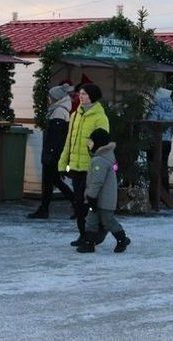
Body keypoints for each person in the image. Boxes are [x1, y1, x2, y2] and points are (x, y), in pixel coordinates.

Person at [58, 83, 109, 247]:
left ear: (93, 96)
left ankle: (95, 232)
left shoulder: (100, 117)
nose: (81, 96)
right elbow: (69, 141)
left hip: (92, 167)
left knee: (90, 203)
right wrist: (63, 163)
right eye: (80, 93)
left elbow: (103, 144)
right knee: (78, 202)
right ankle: (82, 234)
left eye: (85, 94)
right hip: (76, 166)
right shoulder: (75, 115)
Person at [76, 128, 131, 253]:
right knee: (91, 220)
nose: (89, 145)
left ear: (97, 143)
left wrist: (91, 196)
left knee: (108, 220)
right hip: (98, 198)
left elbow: (97, 182)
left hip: (102, 199)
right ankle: (89, 243)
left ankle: (122, 239)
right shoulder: (106, 157)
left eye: (91, 142)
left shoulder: (99, 161)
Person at [27, 84, 76, 219]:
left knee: (52, 180)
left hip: (53, 153)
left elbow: (56, 136)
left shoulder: (59, 112)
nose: (48, 99)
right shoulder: (61, 110)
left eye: (50, 96)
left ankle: (75, 204)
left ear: (56, 98)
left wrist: (50, 153)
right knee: (52, 181)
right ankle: (46, 208)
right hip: (55, 152)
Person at [145, 87, 173, 193]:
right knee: (163, 166)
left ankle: (154, 193)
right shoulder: (169, 104)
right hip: (167, 140)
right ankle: (165, 191)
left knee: (152, 166)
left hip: (155, 139)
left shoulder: (156, 104)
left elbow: (151, 120)